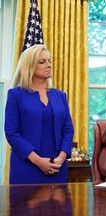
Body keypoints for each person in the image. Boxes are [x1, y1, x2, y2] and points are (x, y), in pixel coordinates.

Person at [4, 44, 74, 184]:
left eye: (49, 61)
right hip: (26, 166)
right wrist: (38, 161)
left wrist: (62, 156)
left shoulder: (60, 96)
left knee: (59, 206)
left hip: (57, 167)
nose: (48, 65)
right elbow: (12, 132)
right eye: (42, 62)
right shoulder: (15, 95)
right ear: (29, 66)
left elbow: (68, 130)